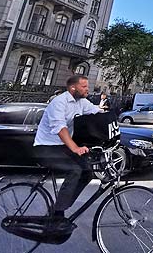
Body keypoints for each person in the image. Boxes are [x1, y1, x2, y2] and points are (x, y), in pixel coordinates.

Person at [33, 76, 100, 230]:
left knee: (88, 172)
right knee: (74, 170)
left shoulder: (81, 102)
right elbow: (60, 129)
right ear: (73, 88)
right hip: (45, 147)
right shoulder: (59, 102)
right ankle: (57, 213)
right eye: (83, 86)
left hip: (61, 147)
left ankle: (62, 204)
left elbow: (97, 113)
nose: (87, 89)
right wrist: (75, 148)